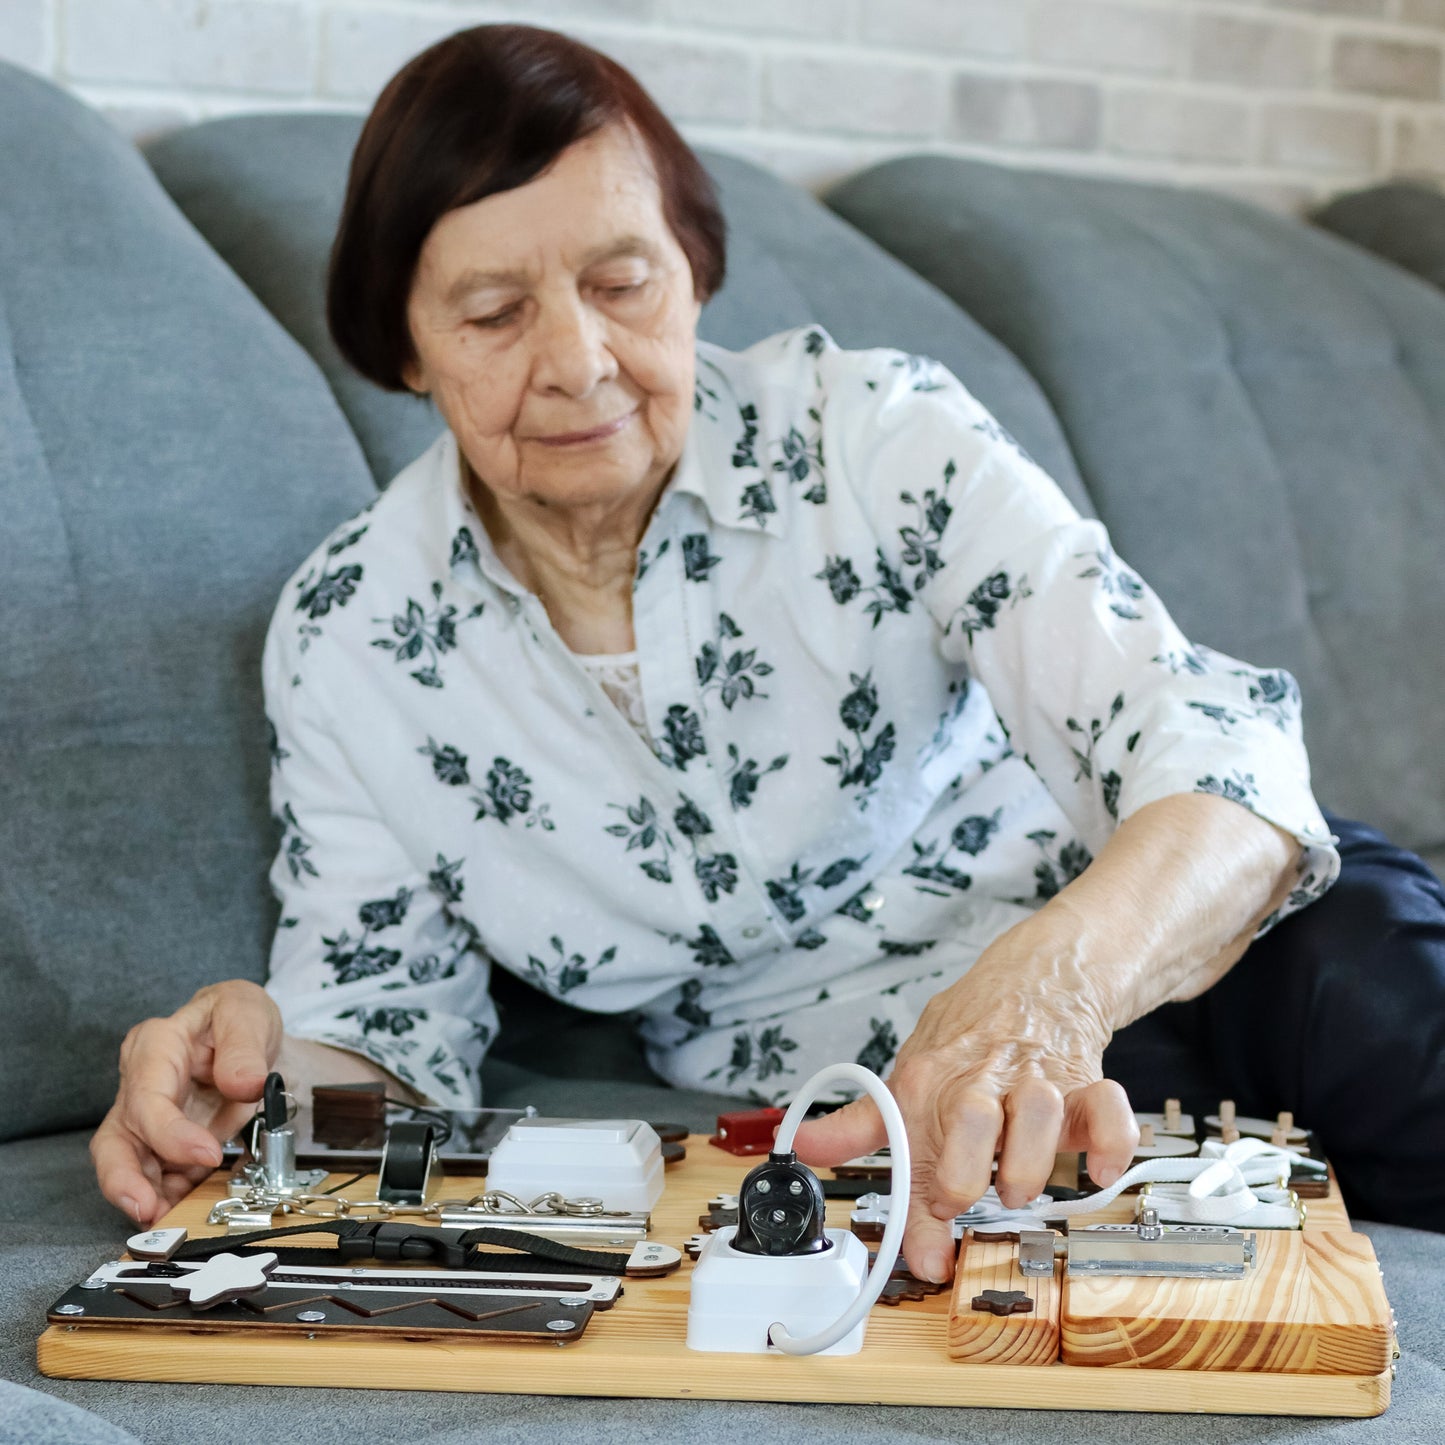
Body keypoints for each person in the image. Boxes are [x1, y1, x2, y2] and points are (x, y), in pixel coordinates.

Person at [90, 25, 1445, 1275]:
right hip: (885, 1125)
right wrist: (252, 1092)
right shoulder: (349, 637)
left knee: (1372, 1005)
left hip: (1160, 941)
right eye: (493, 314)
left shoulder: (872, 436)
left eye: (623, 281)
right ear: (402, 348)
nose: (578, 360)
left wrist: (1050, 980)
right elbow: (390, 1039)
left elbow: (1212, 752)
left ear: (694, 275)